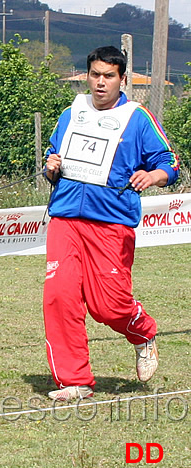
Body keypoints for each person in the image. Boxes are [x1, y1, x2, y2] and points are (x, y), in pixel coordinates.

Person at [42, 45, 180, 402]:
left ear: (122, 80)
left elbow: (170, 162)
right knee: (60, 296)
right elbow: (50, 157)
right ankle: (74, 381)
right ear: (87, 76)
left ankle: (143, 333)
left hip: (111, 223)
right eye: (95, 75)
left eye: (109, 76)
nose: (100, 83)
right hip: (65, 218)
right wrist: (51, 166)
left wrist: (153, 176)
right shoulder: (71, 113)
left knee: (109, 306)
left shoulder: (138, 117)